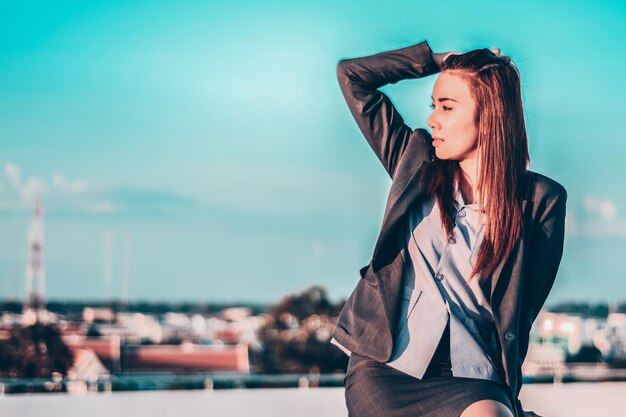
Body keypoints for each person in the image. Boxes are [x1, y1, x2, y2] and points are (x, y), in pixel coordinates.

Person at [329, 38, 567, 417]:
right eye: (433, 106)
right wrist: (436, 61)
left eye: (446, 106)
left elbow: (519, 309)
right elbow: (352, 76)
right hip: (386, 365)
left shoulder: (541, 202)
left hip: (474, 373)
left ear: (489, 114)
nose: (432, 119)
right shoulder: (414, 163)